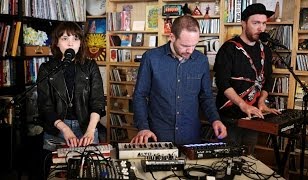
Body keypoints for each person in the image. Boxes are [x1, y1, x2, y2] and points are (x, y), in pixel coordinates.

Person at [130, 15, 227, 145]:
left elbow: (206, 97)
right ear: (172, 37)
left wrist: (215, 119)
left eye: (194, 45)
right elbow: (140, 95)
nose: (190, 51)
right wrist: (143, 127)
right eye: (185, 45)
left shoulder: (201, 61)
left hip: (190, 135)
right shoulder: (151, 58)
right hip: (157, 134)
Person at [214, 3, 281, 153]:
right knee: (227, 160)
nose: (261, 28)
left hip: (253, 117)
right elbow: (222, 83)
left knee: (247, 157)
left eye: (263, 23)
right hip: (229, 118)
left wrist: (261, 102)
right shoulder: (228, 49)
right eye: (255, 23)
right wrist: (243, 105)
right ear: (243, 23)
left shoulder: (266, 50)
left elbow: (267, 80)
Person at [37, 22, 106, 151]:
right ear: (56, 43)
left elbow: (98, 102)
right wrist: (65, 129)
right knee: (56, 169)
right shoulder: (46, 69)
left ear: (80, 43)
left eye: (76, 38)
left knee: (89, 167)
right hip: (56, 129)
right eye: (65, 38)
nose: (70, 43)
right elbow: (44, 106)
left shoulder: (90, 66)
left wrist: (91, 130)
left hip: (87, 127)